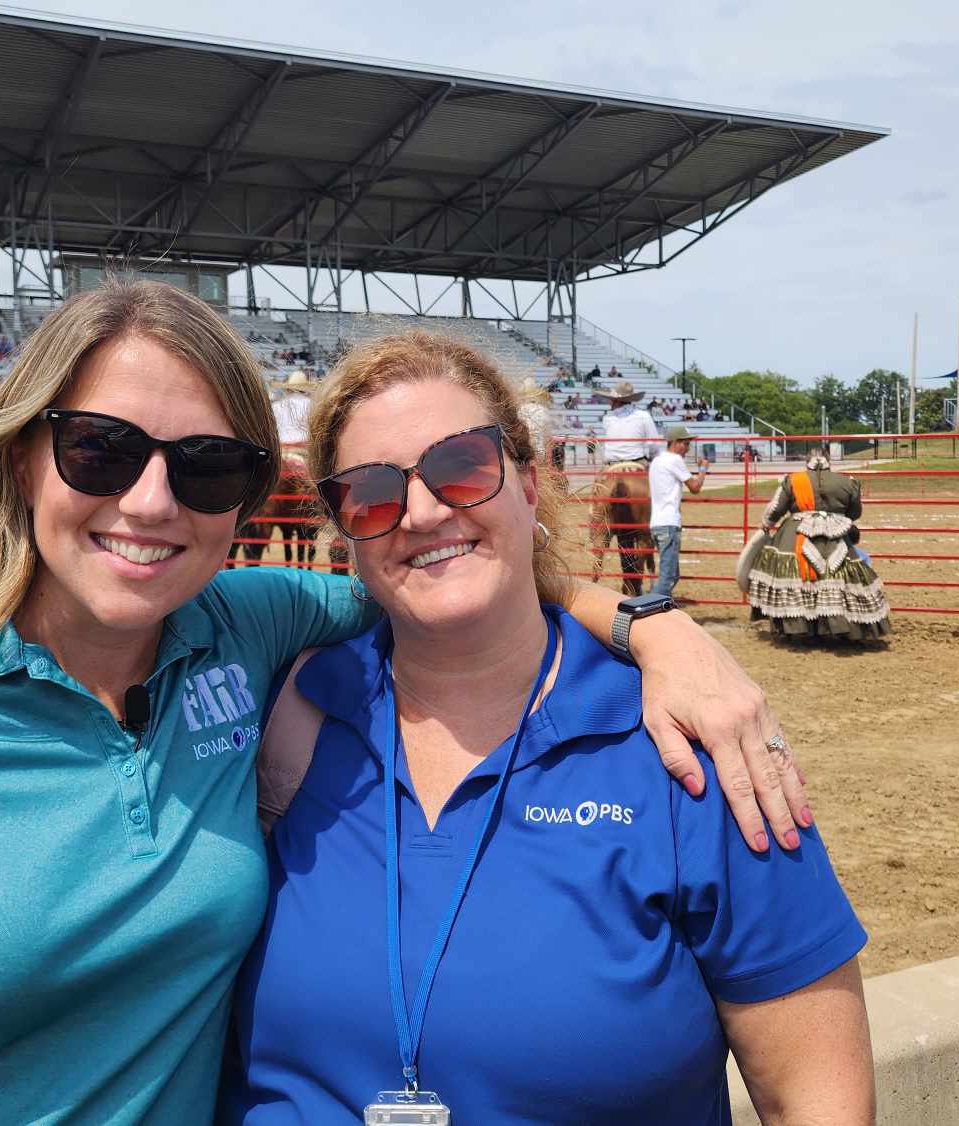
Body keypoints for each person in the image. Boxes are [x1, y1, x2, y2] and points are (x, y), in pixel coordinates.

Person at [0, 282, 808, 1125]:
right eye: (101, 451)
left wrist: (657, 628)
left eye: (205, 467)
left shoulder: (245, 628)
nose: (151, 502)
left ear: (249, 499)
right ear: (22, 454)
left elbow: (447, 567)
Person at [223, 332, 870, 1125]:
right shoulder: (290, 709)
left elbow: (816, 1097)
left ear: (529, 485)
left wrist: (661, 630)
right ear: (344, 530)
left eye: (462, 466)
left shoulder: (689, 742)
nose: (423, 512)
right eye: (372, 492)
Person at [740, 448, 890, 644]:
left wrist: (766, 526)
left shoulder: (793, 480)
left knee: (792, 576)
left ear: (807, 461)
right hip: (836, 536)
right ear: (829, 462)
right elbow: (855, 513)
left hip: (795, 535)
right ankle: (842, 628)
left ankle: (797, 629)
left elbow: (775, 510)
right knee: (840, 577)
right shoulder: (848, 482)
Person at [648, 423, 708, 599]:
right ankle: (653, 608)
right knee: (667, 578)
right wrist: (703, 469)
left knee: (672, 574)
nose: (688, 448)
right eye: (686, 444)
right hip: (669, 523)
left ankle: (655, 601)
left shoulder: (657, 461)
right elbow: (695, 487)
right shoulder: (674, 460)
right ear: (676, 443)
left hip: (657, 523)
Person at [597, 380, 660, 467]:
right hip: (636, 463)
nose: (609, 402)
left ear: (615, 400)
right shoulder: (643, 415)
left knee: (599, 479)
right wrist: (652, 458)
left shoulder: (607, 418)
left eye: (611, 399)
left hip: (612, 465)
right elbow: (654, 444)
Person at [269, 370, 311, 454]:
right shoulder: (311, 404)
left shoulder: (276, 406)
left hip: (281, 448)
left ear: (288, 388)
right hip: (303, 448)